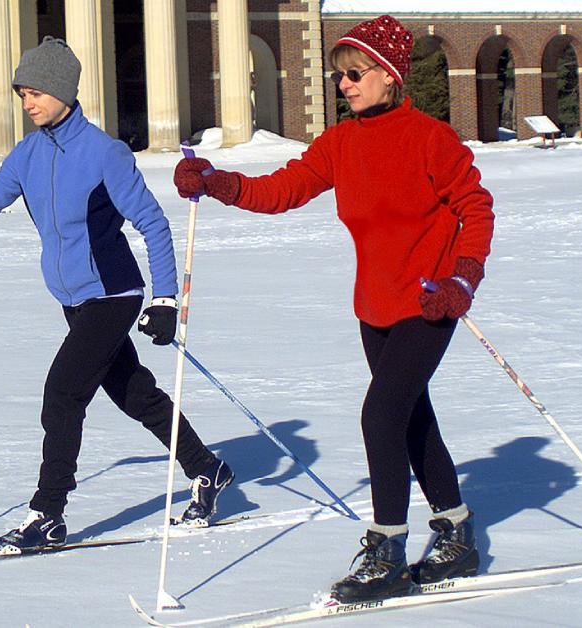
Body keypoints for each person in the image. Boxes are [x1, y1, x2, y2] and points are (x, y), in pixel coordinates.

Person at [172, 15, 493, 602]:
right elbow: (282, 189)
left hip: (429, 303)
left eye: (354, 73)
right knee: (410, 418)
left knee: (380, 415)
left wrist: (462, 278)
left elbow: (475, 207)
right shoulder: (341, 143)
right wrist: (217, 181)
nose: (343, 84)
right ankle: (456, 532)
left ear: (389, 75)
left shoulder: (430, 138)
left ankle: (386, 548)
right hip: (374, 308)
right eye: (338, 74)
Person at [0, 36, 233, 553]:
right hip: (73, 301)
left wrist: (164, 301)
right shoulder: (26, 155)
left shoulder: (104, 154)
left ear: (64, 91)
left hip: (113, 295)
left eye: (37, 92)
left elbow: (153, 225)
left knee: (63, 395)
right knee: (134, 394)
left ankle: (48, 515)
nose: (28, 103)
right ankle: (207, 469)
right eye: (22, 93)